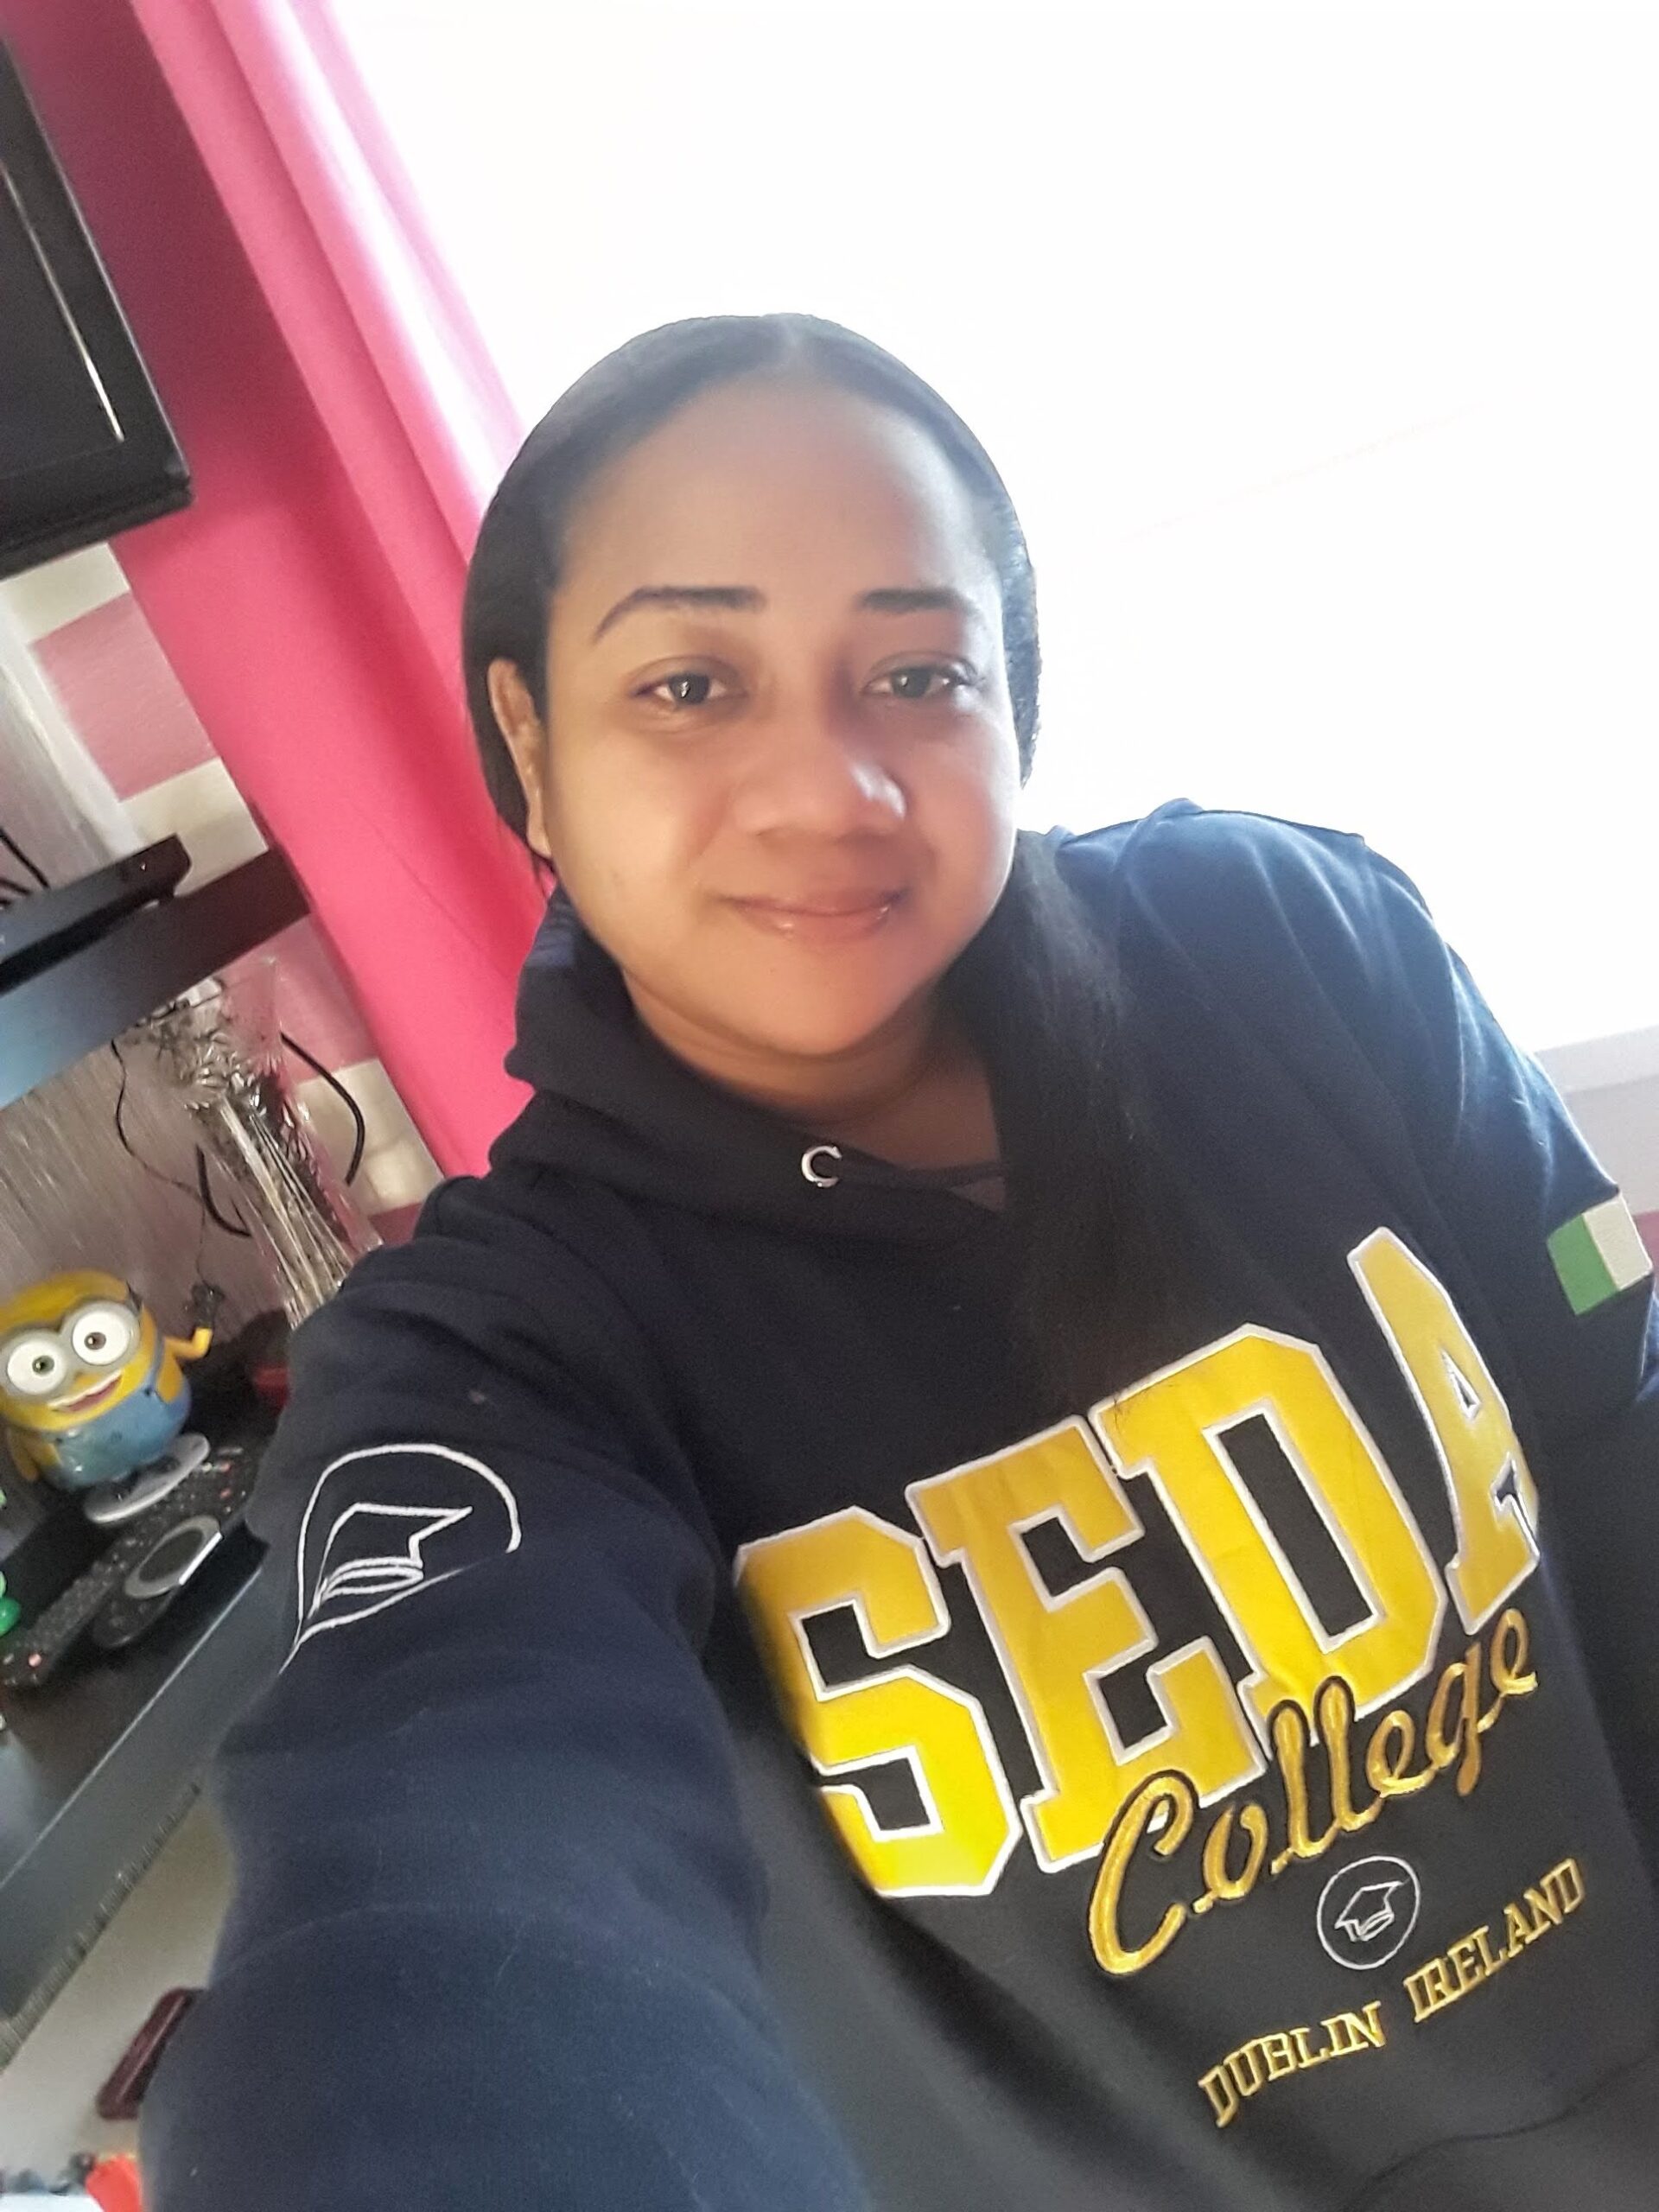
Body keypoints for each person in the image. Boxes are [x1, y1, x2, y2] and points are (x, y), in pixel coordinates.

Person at [143, 314, 1659, 2210]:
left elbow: (1614, 1429)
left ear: (1018, 696)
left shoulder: (1296, 946)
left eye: (919, 672)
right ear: (530, 743)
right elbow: (447, 1899)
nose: (829, 791)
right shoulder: (502, 1356)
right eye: (693, 683)